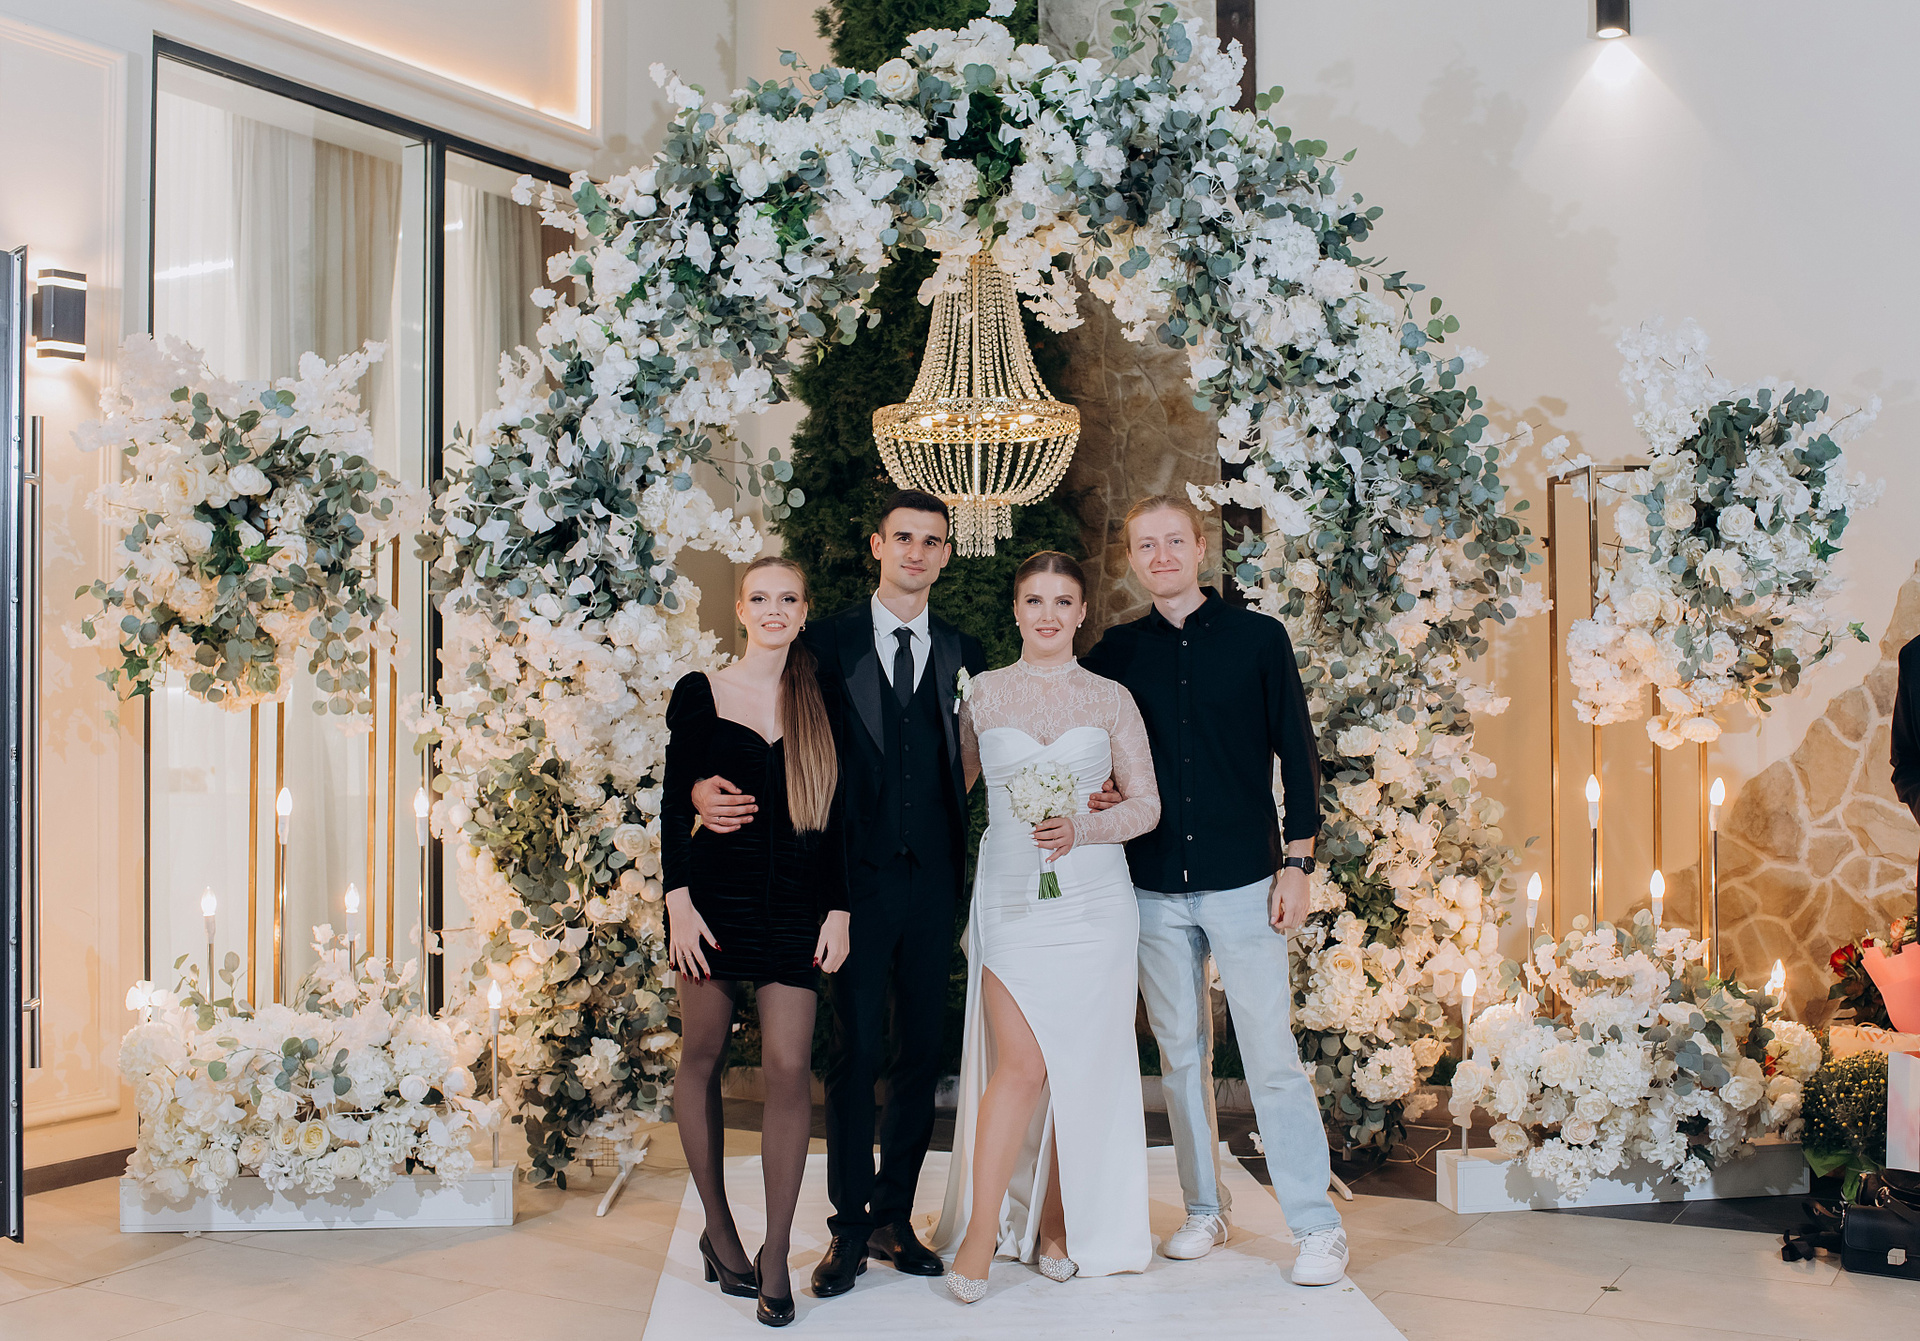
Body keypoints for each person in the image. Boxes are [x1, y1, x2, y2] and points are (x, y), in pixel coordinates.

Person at [691, 490, 987, 1300]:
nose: (917, 552)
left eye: (932, 541)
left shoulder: (961, 647)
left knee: (920, 1051)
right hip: (847, 884)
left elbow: (967, 749)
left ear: (946, 554)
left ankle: (895, 1217)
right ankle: (848, 1227)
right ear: (877, 545)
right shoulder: (822, 642)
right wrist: (697, 790)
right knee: (854, 1051)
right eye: (903, 537)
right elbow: (755, 727)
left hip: (933, 879)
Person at [1080, 494, 1349, 1287]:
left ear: (1200, 548)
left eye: (1174, 541)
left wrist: (1298, 861)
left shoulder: (1259, 639)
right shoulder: (1115, 653)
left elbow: (1298, 754)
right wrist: (1099, 787)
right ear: (1132, 558)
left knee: (1270, 1055)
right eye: (1145, 545)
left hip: (1246, 881)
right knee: (1181, 1057)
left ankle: (1316, 1225)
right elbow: (1096, 752)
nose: (1161, 555)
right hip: (1153, 885)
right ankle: (1206, 1208)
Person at [931, 551, 1161, 1302]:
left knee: (1078, 1067)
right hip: (1010, 899)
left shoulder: (1111, 698)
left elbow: (1146, 806)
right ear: (1017, 609)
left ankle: (1058, 1224)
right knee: (1022, 1067)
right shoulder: (983, 694)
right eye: (1035, 600)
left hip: (1095, 902)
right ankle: (981, 1233)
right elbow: (948, 791)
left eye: (1064, 601)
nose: (1049, 614)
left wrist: (1083, 829)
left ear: (1083, 611)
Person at [661, 556, 852, 1328]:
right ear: (740, 609)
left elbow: (839, 815)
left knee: (789, 1066)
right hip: (710, 903)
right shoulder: (700, 692)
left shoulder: (821, 695)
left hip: (798, 906)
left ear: (804, 612)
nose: (775, 609)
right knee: (701, 1055)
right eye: (761, 598)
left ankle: (776, 1253)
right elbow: (673, 804)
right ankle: (720, 1229)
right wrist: (677, 903)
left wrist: (838, 909)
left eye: (789, 599)